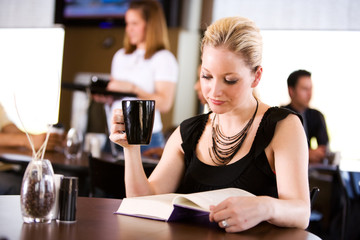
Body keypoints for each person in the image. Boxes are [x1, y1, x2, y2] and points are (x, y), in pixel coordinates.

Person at [110, 16, 310, 232]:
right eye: (207, 76)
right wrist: (131, 149)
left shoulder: (282, 126)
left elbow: (301, 213)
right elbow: (143, 202)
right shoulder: (189, 131)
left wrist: (265, 206)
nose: (214, 92)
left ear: (256, 77)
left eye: (230, 80)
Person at [94, 0, 178, 152]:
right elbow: (119, 99)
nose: (129, 29)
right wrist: (107, 97)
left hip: (145, 140)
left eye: (134, 24)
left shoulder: (163, 58)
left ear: (150, 25)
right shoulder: (120, 56)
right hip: (116, 136)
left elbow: (165, 103)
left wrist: (132, 88)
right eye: (127, 23)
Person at [0, 103, 63, 194]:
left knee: (52, 180)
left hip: (8, 167)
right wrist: (28, 141)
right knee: (27, 189)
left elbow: (8, 127)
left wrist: (43, 139)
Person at [283, 70, 329, 163]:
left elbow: (324, 149)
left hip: (312, 170)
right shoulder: (281, 116)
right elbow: (280, 151)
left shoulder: (316, 115)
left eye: (310, 89)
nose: (309, 94)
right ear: (291, 91)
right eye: (304, 89)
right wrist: (307, 154)